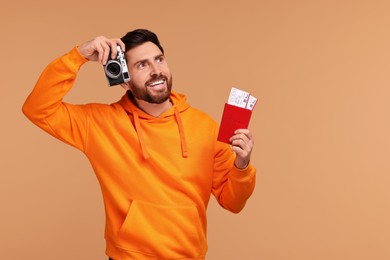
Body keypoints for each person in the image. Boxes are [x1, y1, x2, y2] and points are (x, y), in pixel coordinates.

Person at [22, 29, 256, 260]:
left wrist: (242, 166)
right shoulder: (100, 123)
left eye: (159, 60)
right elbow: (38, 108)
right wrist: (78, 56)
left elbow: (233, 202)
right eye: (142, 65)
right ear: (124, 81)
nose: (156, 71)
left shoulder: (205, 127)